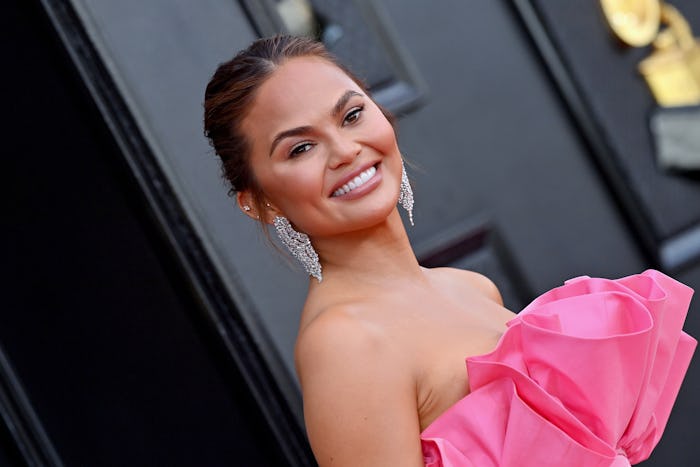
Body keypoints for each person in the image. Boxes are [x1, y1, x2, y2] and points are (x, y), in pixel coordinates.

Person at [203, 35, 696, 467]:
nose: (346, 149)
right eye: (300, 148)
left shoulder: (471, 287)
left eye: (352, 115)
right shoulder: (345, 344)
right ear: (262, 202)